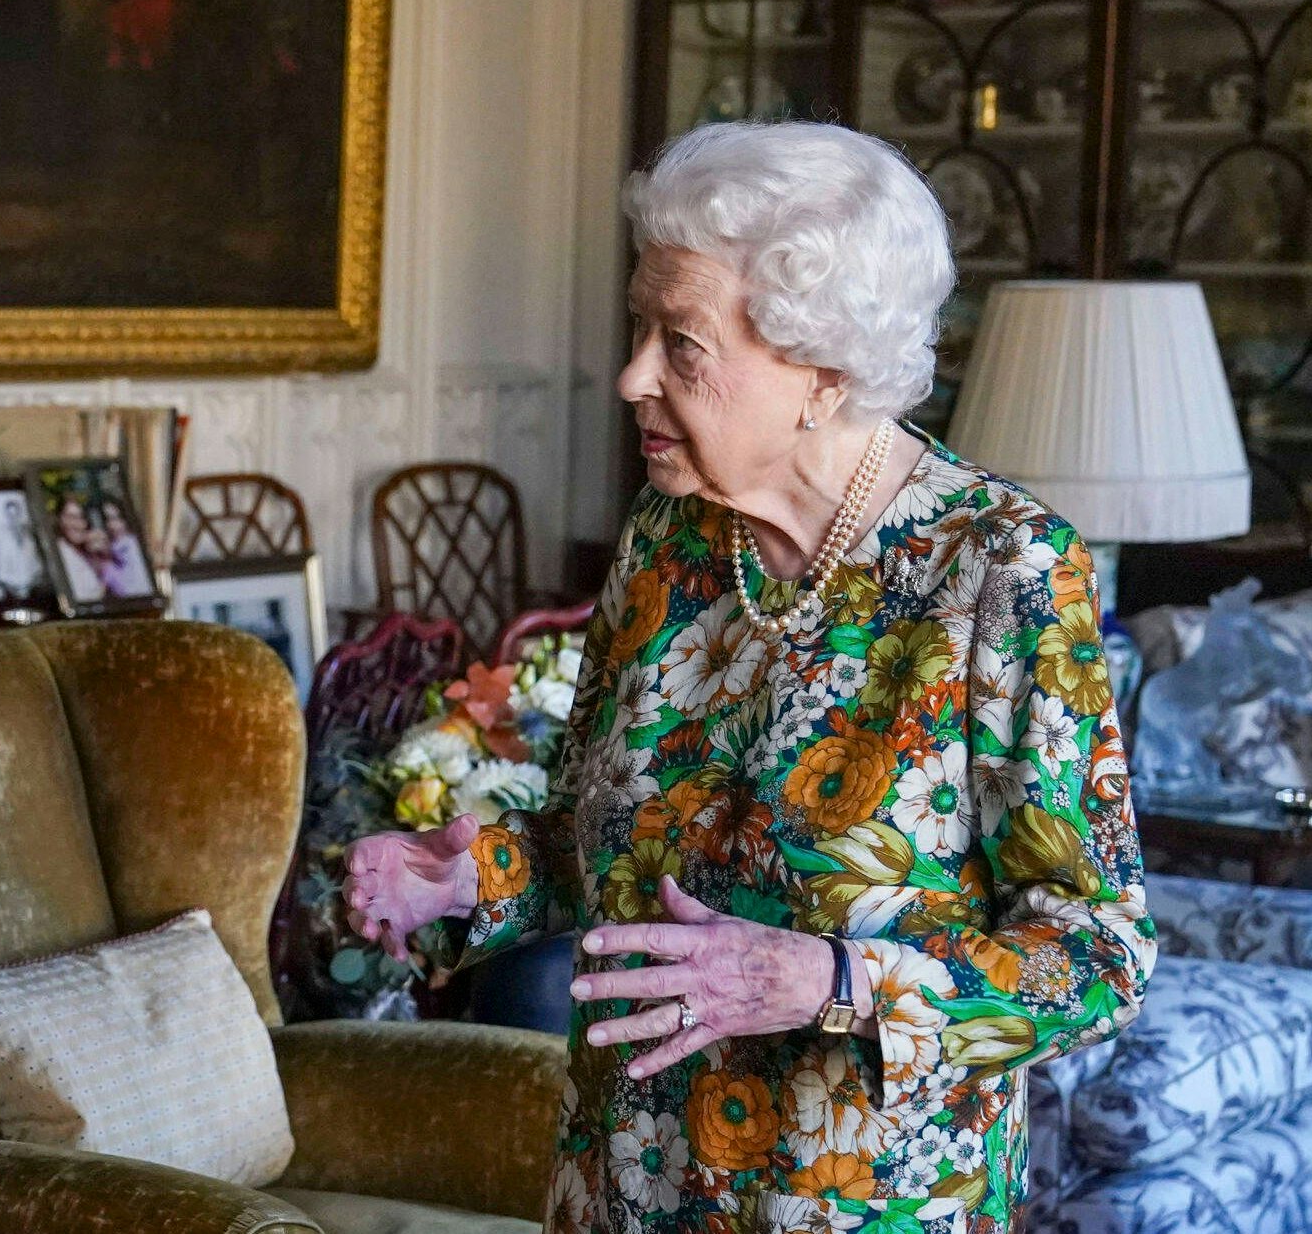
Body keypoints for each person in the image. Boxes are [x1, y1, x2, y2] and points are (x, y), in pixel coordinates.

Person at [344, 121, 1151, 1234]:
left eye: (680, 343)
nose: (631, 376)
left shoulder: (1000, 569)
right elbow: (595, 845)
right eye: (640, 328)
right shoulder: (667, 541)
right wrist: (470, 877)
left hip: (859, 1203)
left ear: (821, 373)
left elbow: (1097, 956)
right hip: (625, 1183)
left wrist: (826, 982)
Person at [51, 496, 107, 605]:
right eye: (71, 517)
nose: (79, 524)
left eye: (82, 517)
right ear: (60, 519)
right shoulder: (60, 553)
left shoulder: (86, 552)